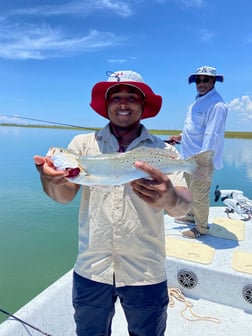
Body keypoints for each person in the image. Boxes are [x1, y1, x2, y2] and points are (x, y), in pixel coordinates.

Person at [34, 70, 192, 336]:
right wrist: (50, 179)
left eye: (131, 97)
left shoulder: (164, 151)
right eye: (116, 97)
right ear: (106, 105)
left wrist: (170, 197)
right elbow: (63, 197)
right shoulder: (81, 146)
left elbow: (183, 206)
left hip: (146, 271)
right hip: (92, 269)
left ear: (143, 105)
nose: (123, 103)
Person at [169, 65, 228, 239]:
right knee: (190, 190)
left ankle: (201, 228)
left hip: (202, 161)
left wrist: (201, 162)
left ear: (213, 81)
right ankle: (191, 216)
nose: (201, 83)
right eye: (198, 80)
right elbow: (195, 128)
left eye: (206, 80)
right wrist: (180, 137)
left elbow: (212, 134)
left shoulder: (217, 105)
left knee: (200, 195)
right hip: (188, 158)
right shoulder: (198, 101)